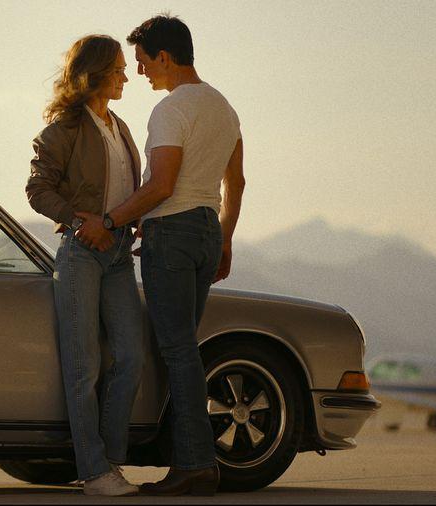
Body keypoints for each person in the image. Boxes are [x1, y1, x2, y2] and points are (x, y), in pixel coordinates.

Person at [102, 14, 246, 496]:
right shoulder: (224, 107)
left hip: (174, 233)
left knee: (178, 352)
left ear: (165, 57)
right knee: (185, 349)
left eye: (143, 62)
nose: (140, 72)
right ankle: (192, 458)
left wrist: (110, 220)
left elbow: (161, 185)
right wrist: (224, 238)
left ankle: (195, 463)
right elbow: (236, 181)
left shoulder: (171, 111)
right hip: (206, 230)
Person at [25, 34, 146, 497]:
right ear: (95, 72)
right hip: (81, 255)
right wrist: (79, 221)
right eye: (118, 68)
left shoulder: (121, 127)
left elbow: (129, 189)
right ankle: (94, 471)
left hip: (118, 253)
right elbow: (38, 190)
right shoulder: (62, 130)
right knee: (85, 364)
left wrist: (134, 224)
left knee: (130, 357)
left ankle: (109, 461)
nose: (126, 76)